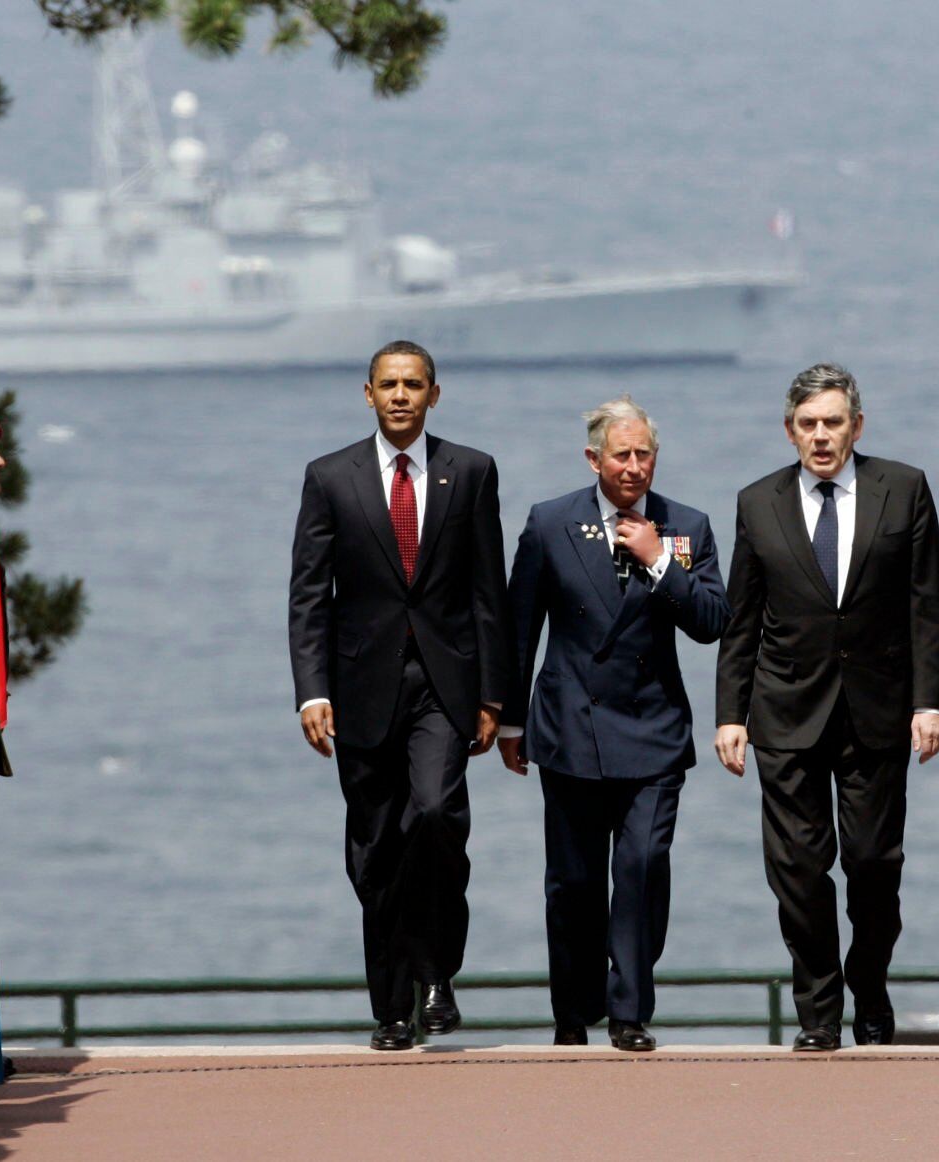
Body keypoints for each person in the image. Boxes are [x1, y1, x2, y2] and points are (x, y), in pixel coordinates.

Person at [714, 363, 939, 1051]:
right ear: (789, 431)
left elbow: (927, 602)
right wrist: (730, 714)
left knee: (874, 862)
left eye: (834, 423)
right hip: (785, 711)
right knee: (798, 868)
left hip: (879, 708)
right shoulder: (757, 501)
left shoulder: (903, 487)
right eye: (808, 424)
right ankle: (818, 1010)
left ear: (857, 426)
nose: (821, 436)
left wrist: (931, 702)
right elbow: (742, 618)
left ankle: (869, 985)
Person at [289, 340, 513, 1051]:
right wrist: (311, 692)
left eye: (413, 385)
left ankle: (437, 970)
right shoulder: (330, 477)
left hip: (444, 686)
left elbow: (489, 591)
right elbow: (309, 596)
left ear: (433, 395)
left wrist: (495, 697)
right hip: (359, 688)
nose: (400, 396)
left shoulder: (470, 471)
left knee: (437, 813)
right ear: (368, 394)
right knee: (377, 849)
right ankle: (391, 1009)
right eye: (388, 384)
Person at [499, 396, 727, 1051]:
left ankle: (629, 1011)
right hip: (570, 726)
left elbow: (713, 621)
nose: (633, 466)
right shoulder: (550, 522)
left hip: (653, 729)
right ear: (593, 459)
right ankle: (574, 1010)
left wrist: (660, 562)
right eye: (621, 455)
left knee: (643, 866)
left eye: (643, 454)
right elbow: (520, 626)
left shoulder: (686, 526)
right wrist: (510, 722)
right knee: (573, 882)